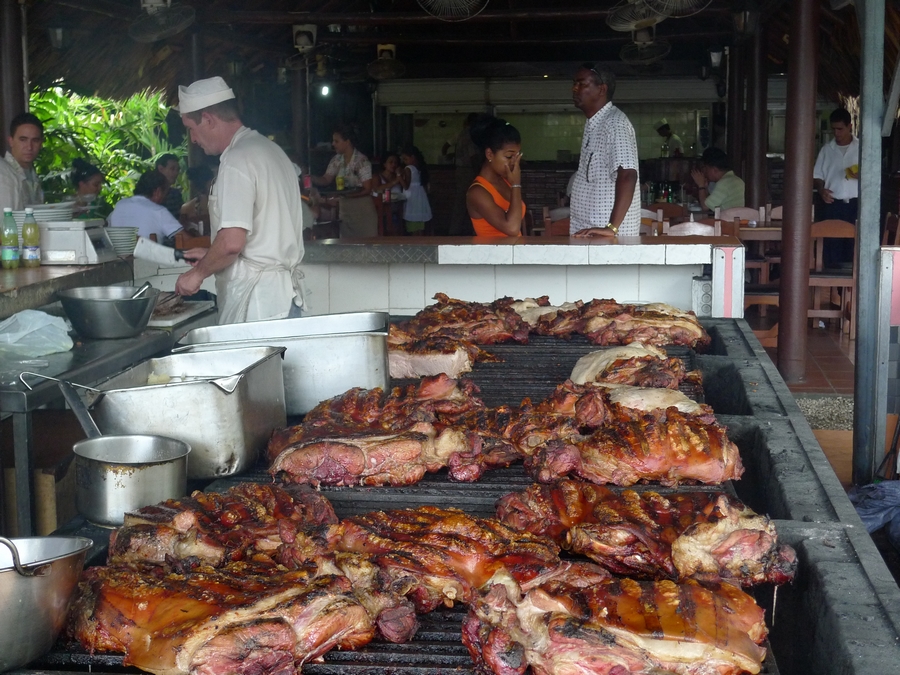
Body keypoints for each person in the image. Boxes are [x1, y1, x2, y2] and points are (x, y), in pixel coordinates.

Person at [173, 76, 306, 324]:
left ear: (209, 120)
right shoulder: (271, 150)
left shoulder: (237, 159)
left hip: (257, 305)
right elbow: (261, 234)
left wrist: (197, 274)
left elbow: (232, 243)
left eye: (191, 128)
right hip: (284, 300)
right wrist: (211, 253)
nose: (192, 138)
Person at [568, 64, 640, 238]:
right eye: (574, 84)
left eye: (581, 84)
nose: (574, 89)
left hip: (606, 238)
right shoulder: (595, 124)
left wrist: (612, 228)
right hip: (590, 231)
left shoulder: (615, 123)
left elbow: (628, 174)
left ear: (602, 89)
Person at [311, 124, 378, 238]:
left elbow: (367, 189)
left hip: (362, 211)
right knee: (347, 249)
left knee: (367, 249)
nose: (333, 144)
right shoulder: (336, 160)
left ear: (347, 142)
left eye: (336, 141)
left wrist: (345, 196)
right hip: (345, 212)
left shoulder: (361, 161)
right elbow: (326, 179)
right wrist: (310, 177)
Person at [465, 115, 526, 237]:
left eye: (517, 156)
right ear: (489, 154)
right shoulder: (477, 192)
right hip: (494, 255)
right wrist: (516, 184)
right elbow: (512, 228)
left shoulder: (505, 181)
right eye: (509, 157)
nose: (514, 162)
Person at [813, 108, 859, 266]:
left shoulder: (862, 148)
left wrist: (862, 175)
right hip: (833, 204)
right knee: (832, 246)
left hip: (856, 204)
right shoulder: (827, 149)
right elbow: (817, 175)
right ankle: (832, 288)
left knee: (854, 247)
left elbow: (874, 173)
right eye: (834, 129)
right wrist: (821, 190)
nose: (837, 133)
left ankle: (851, 287)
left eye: (840, 129)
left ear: (850, 126)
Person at [109, 169, 183, 242]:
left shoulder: (119, 205)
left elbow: (107, 226)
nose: (165, 198)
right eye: (165, 193)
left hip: (117, 253)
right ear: (158, 192)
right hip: (148, 253)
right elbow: (185, 239)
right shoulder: (159, 211)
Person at [446, 113, 481, 236]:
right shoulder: (470, 134)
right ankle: (457, 232)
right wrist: (479, 173)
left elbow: (446, 145)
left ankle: (457, 231)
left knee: (462, 201)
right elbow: (473, 156)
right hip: (467, 170)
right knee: (466, 201)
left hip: (461, 169)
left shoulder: (461, 134)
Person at [0, 113, 44, 211]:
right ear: (11, 141)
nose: (29, 147)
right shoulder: (4, 174)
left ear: (41, 143)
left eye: (35, 140)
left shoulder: (32, 175)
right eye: (23, 140)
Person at [690, 147, 745, 211]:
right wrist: (705, 188)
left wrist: (701, 186)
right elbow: (710, 203)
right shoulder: (736, 180)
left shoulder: (724, 183)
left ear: (714, 170)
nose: (704, 172)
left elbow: (705, 207)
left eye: (705, 168)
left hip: (728, 220)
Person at [398, 146, 432, 235]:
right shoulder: (419, 168)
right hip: (420, 196)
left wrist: (399, 176)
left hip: (412, 198)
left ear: (412, 157)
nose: (404, 162)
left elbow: (406, 186)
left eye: (405, 159)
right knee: (420, 227)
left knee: (412, 225)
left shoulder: (408, 168)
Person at [373, 153, 404, 236]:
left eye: (395, 162)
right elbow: (377, 188)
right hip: (381, 210)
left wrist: (399, 177)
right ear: (384, 164)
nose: (393, 164)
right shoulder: (377, 177)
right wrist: (395, 182)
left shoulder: (398, 177)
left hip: (397, 210)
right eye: (391, 162)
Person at [155, 153, 184, 219]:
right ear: (161, 169)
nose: (176, 173)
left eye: (177, 170)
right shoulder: (149, 193)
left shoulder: (175, 194)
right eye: (172, 169)